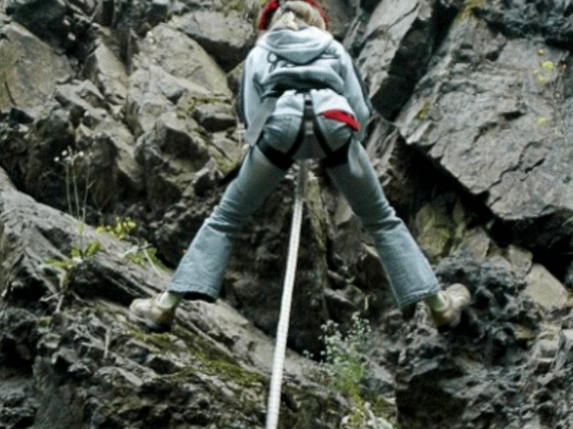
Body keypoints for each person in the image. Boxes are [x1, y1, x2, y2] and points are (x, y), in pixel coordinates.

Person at [129, 0, 470, 332]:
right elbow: (361, 110)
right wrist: (348, 147)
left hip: (280, 128)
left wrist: (266, 150)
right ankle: (440, 307)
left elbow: (250, 114)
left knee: (225, 219)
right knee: (381, 219)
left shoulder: (260, 53)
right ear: (316, 19)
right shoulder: (331, 47)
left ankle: (164, 307)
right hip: (336, 126)